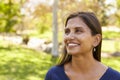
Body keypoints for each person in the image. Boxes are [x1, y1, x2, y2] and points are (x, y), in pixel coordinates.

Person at [45, 12, 120, 80]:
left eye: (78, 31)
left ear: (96, 40)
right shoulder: (53, 75)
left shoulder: (115, 78)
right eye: (67, 32)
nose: (69, 37)